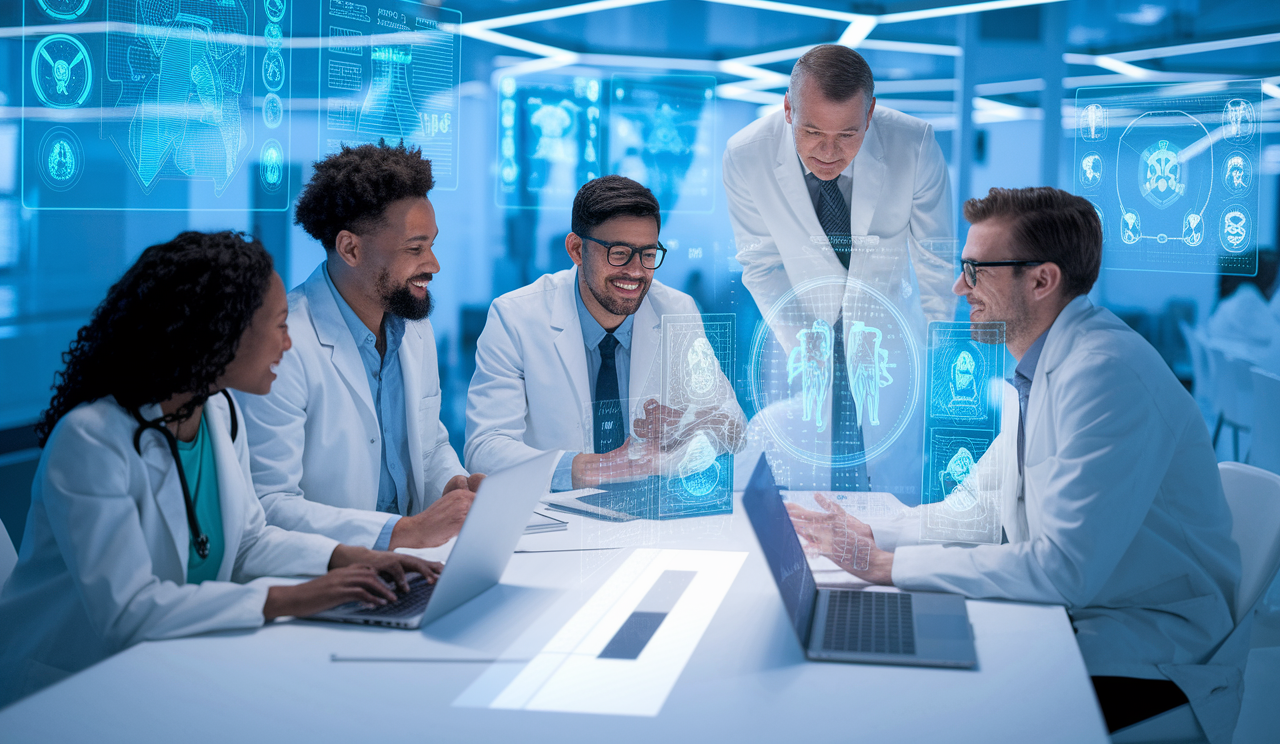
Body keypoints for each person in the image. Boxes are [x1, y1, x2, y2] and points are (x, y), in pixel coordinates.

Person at [787, 187, 1242, 740]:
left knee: (942, 714)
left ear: (1042, 280)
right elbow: (973, 512)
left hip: (1145, 651)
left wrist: (888, 567)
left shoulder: (1104, 375)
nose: (960, 288)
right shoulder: (1042, 369)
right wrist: (862, 531)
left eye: (975, 271)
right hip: (1082, 617)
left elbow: (1062, 572)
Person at [0, 232, 439, 706]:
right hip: (68, 690)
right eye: (279, 325)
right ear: (220, 332)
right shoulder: (91, 440)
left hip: (166, 671)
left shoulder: (218, 411)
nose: (288, 344)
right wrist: (298, 598)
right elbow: (127, 611)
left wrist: (355, 560)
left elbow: (250, 542)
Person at [723, 44, 953, 492]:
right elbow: (761, 265)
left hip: (890, 338)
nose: (828, 152)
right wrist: (807, 347)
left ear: (869, 115)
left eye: (847, 135)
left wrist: (939, 357)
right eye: (811, 132)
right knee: (803, 477)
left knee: (889, 485)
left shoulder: (915, 144)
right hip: (801, 329)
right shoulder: (746, 155)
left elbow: (935, 263)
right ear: (788, 109)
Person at [236, 142, 482, 551]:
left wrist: (453, 486)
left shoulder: (413, 329)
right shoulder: (283, 348)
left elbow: (430, 443)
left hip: (410, 562)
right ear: (351, 248)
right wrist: (398, 534)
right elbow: (269, 506)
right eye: (415, 248)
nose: (434, 264)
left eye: (432, 245)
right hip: (325, 577)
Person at [465, 175, 744, 490]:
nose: (636, 271)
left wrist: (687, 426)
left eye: (648, 255)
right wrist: (593, 468)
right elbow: (485, 448)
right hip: (554, 519)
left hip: (648, 515)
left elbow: (732, 426)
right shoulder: (515, 317)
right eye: (619, 253)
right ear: (576, 249)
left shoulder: (676, 311)